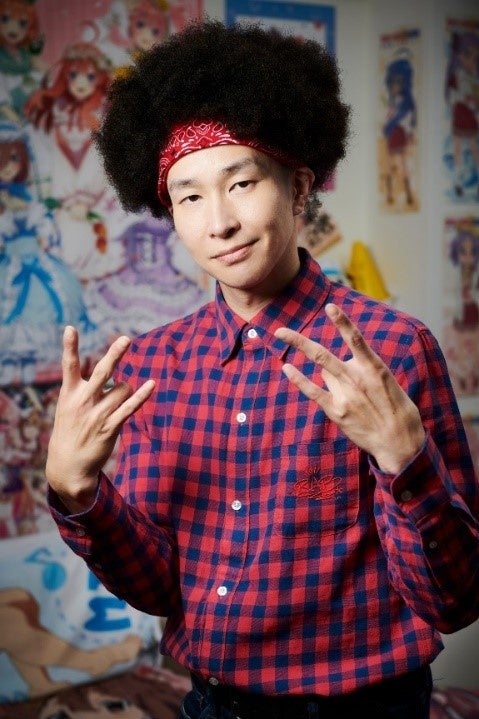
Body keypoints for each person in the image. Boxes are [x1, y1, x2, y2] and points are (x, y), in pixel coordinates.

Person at [45, 20, 479, 719]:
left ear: (298, 186)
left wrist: (407, 463)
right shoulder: (154, 366)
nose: (218, 222)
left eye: (241, 182)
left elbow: (455, 600)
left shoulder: (392, 350)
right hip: (213, 704)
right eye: (189, 196)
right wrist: (78, 494)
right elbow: (157, 588)